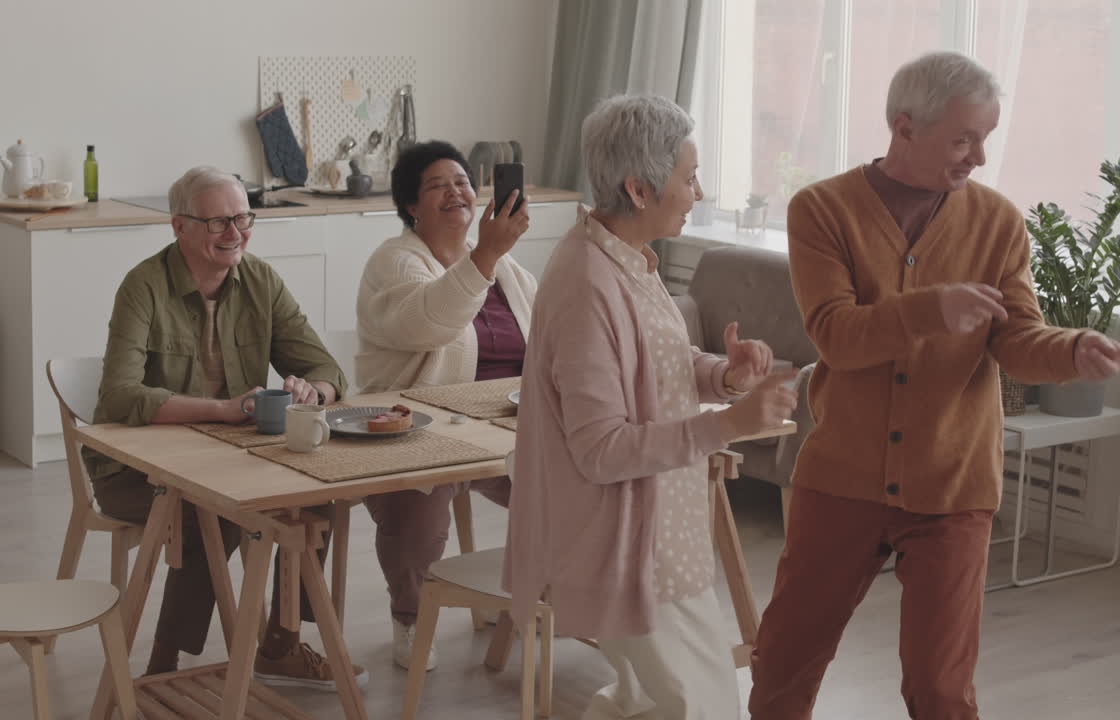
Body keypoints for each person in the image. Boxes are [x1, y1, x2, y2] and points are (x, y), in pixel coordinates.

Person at [747, 51, 1120, 719]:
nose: (978, 156)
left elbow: (1015, 337)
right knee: (783, 665)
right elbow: (834, 334)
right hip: (842, 479)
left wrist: (1071, 349)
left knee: (942, 689)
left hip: (952, 485)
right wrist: (932, 310)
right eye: (963, 138)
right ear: (903, 127)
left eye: (986, 137)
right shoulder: (822, 210)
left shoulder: (998, 222)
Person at [503, 94, 798, 720]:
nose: (698, 192)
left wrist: (726, 375)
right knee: (702, 705)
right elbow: (601, 449)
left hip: (666, 537)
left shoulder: (625, 261)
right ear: (639, 188)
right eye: (689, 178)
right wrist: (729, 426)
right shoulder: (587, 283)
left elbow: (662, 366)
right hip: (630, 547)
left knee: (645, 705)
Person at [86, 165, 368, 690]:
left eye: (242, 218)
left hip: (229, 457)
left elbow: (329, 370)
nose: (235, 233)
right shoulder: (144, 286)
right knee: (211, 514)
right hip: (133, 471)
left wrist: (315, 391)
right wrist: (223, 410)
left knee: (317, 496)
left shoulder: (261, 281)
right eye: (218, 223)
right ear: (180, 227)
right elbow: (119, 396)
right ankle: (164, 668)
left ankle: (280, 648)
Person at [355, 140, 534, 670]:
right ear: (412, 205)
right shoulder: (395, 261)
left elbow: (551, 337)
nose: (456, 191)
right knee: (419, 510)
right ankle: (409, 620)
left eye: (462, 182)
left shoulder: (509, 270)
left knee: (564, 488)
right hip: (420, 428)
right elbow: (428, 322)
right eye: (438, 185)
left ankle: (528, 598)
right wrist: (484, 255)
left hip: (504, 425)